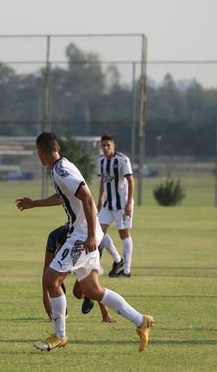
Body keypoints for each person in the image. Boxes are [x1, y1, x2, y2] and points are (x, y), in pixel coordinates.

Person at [18, 132, 153, 352]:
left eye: (38, 153)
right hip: (84, 232)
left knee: (51, 279)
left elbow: (87, 198)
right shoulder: (60, 168)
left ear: (40, 152)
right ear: (57, 148)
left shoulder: (61, 170)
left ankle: (59, 335)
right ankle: (141, 320)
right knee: (93, 290)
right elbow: (64, 197)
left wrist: (91, 234)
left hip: (82, 235)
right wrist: (35, 203)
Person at [33, 223, 116, 323]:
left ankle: (89, 296)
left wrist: (105, 314)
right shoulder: (52, 237)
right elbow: (46, 270)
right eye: (58, 249)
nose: (59, 252)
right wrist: (46, 300)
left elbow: (96, 285)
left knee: (79, 292)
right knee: (54, 278)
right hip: (77, 240)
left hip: (89, 246)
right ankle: (61, 312)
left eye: (62, 250)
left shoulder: (82, 244)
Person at [96, 134, 135, 278]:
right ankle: (117, 259)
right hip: (107, 205)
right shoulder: (100, 161)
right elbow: (102, 181)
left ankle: (126, 270)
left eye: (108, 145)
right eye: (103, 145)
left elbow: (131, 181)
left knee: (124, 234)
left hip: (122, 205)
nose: (105, 148)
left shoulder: (123, 160)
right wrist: (100, 200)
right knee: (98, 233)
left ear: (113, 146)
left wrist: (129, 203)